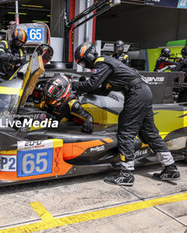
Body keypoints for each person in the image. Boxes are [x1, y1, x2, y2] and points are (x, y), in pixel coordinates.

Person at [73, 41, 180, 186]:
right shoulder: (110, 64)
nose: (84, 66)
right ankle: (170, 167)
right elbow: (103, 90)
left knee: (125, 132)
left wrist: (75, 86)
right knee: (149, 133)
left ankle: (126, 174)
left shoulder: (102, 62)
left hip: (136, 94)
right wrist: (83, 88)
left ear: (88, 57)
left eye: (83, 63)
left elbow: (92, 84)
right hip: (144, 92)